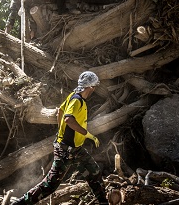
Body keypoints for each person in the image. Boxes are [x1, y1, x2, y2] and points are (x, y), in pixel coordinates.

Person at [11, 71, 108, 205]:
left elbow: (60, 111)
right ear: (90, 87)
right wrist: (85, 133)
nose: (95, 89)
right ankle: (20, 204)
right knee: (50, 186)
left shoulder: (73, 97)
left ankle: (104, 202)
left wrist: (61, 130)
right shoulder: (77, 100)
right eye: (95, 86)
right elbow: (68, 119)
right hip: (66, 151)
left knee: (94, 172)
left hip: (76, 150)